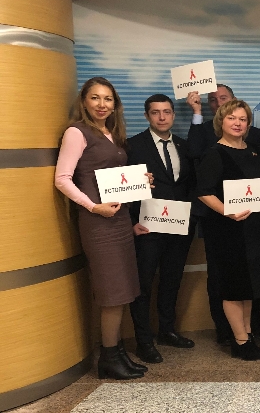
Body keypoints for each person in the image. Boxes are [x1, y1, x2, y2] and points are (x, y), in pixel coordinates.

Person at [55, 77, 149, 379]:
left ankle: (117, 353)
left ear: (114, 104)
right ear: (84, 101)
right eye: (95, 98)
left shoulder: (112, 133)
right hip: (97, 223)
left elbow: (115, 180)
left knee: (123, 290)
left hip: (119, 220)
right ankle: (108, 358)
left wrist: (140, 183)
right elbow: (62, 179)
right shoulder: (76, 132)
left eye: (108, 99)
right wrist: (92, 206)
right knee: (113, 292)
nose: (101, 104)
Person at [185, 85, 260, 345]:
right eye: (232, 117)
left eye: (243, 119)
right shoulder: (214, 153)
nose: (237, 123)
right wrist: (228, 212)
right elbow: (203, 192)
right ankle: (240, 341)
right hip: (226, 230)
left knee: (248, 285)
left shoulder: (252, 150)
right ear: (221, 120)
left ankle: (248, 334)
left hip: (253, 228)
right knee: (232, 286)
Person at [127, 94, 196, 364]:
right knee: (143, 284)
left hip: (179, 226)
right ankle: (144, 341)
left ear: (173, 115)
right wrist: (131, 223)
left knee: (171, 280)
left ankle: (167, 330)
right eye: (155, 112)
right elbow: (123, 188)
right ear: (147, 116)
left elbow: (189, 184)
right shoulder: (132, 146)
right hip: (147, 227)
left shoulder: (183, 146)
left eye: (167, 112)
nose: (162, 117)